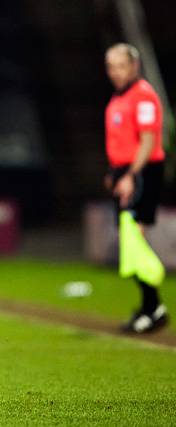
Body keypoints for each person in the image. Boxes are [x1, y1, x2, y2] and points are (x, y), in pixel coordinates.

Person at [103, 43, 168, 333]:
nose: (115, 72)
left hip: (142, 172)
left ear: (134, 66)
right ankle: (150, 306)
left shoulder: (142, 96)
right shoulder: (120, 97)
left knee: (135, 239)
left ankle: (153, 308)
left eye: (120, 66)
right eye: (110, 67)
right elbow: (121, 140)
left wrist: (130, 175)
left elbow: (147, 142)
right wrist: (113, 173)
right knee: (131, 242)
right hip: (125, 172)